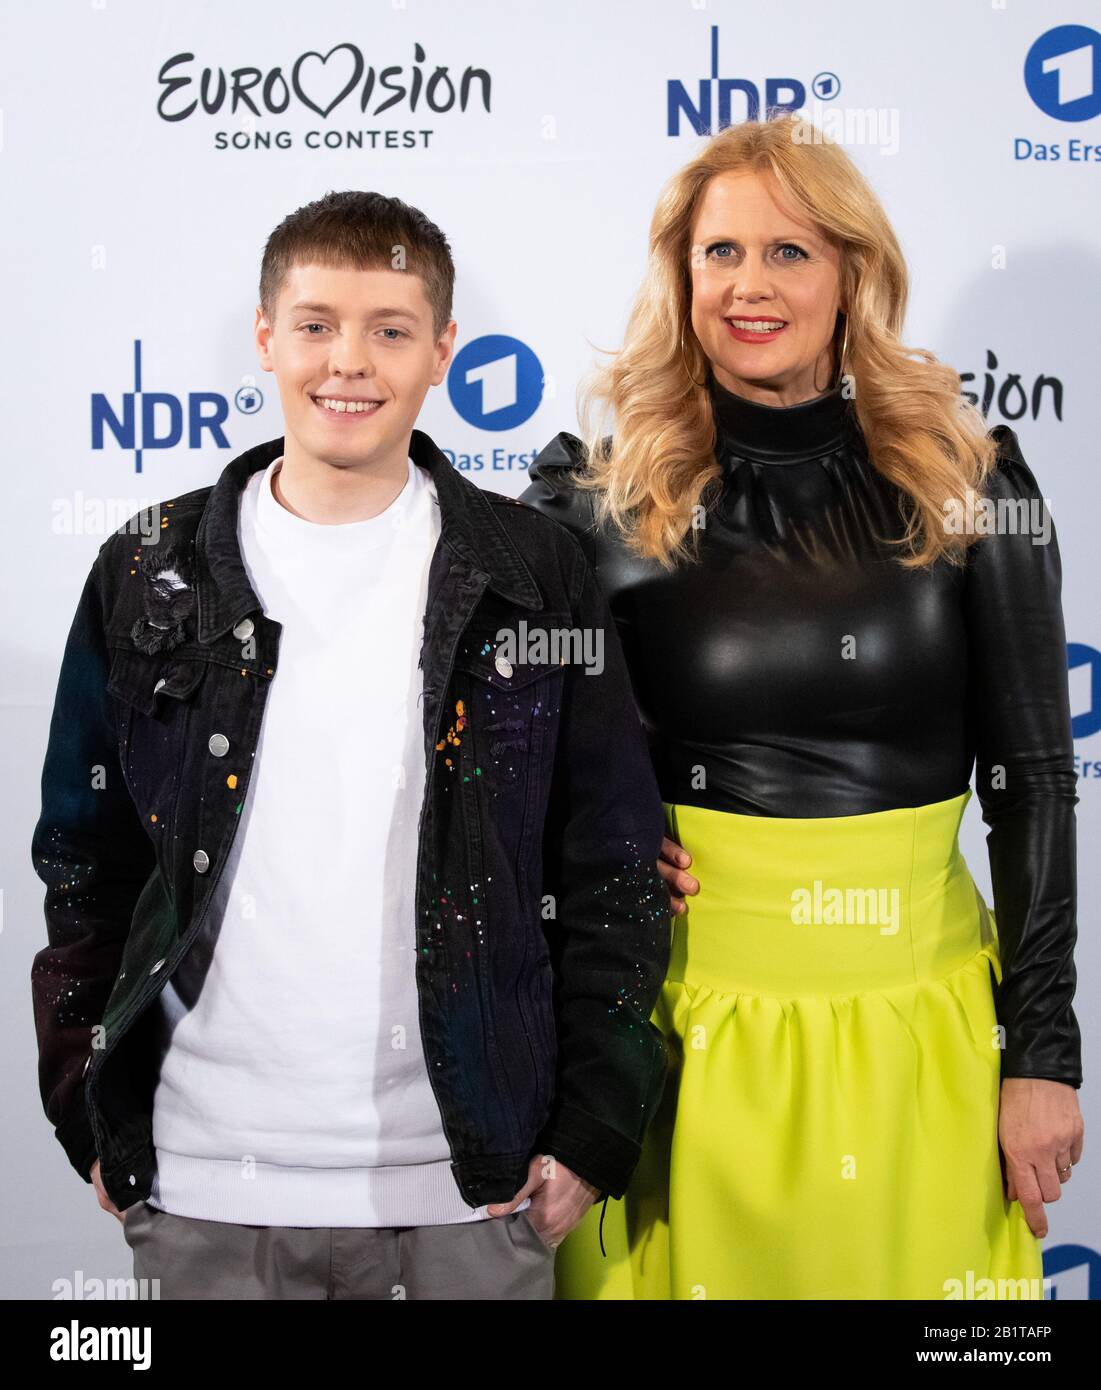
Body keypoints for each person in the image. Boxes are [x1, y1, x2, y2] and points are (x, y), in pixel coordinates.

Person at [30, 191, 672, 1300]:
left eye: (390, 329)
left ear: (441, 354)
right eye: (318, 323)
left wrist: (593, 1130)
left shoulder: (534, 573)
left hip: (473, 1192)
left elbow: (611, 862)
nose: (350, 362)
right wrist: (87, 1104)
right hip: (203, 1189)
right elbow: (85, 863)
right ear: (268, 337)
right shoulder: (147, 569)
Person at [520, 115, 1085, 1300]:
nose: (750, 285)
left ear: (852, 274)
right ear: (681, 279)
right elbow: (526, 775)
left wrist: (1043, 1053)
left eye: (790, 251)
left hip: (919, 1035)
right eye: (721, 253)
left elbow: (1033, 781)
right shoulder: (596, 504)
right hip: (676, 1035)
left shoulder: (973, 487)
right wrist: (616, 839)